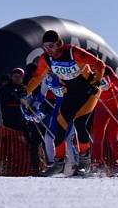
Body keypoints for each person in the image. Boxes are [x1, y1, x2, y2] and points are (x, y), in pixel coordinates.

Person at [24, 30, 106, 176]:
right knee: (60, 127)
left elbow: (99, 64)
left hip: (88, 92)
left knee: (80, 123)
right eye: (44, 47)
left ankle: (84, 162)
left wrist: (97, 81)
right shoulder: (46, 59)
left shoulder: (73, 52)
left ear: (58, 43)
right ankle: (59, 163)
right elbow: (37, 77)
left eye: (50, 46)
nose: (47, 50)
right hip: (70, 94)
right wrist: (26, 91)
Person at [90, 66, 118, 171]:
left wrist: (109, 83)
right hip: (101, 106)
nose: (92, 68)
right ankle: (96, 164)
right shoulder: (86, 73)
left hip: (116, 105)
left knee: (112, 136)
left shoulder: (106, 71)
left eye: (93, 66)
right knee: (97, 136)